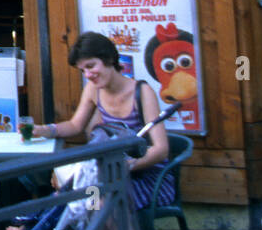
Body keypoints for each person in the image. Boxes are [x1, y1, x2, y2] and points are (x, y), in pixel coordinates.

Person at [34, 31, 173, 211]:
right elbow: (75, 125)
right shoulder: (93, 89)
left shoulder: (142, 92)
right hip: (111, 176)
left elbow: (161, 150)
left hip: (148, 178)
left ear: (108, 59)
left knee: (97, 204)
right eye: (83, 70)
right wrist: (43, 130)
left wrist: (127, 165)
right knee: (76, 197)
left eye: (91, 66)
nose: (88, 75)